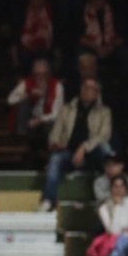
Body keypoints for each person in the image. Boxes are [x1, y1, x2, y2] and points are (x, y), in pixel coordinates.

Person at [39, 77, 113, 212]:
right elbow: (55, 134)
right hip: (69, 153)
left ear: (97, 93)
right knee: (55, 158)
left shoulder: (104, 111)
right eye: (84, 87)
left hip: (92, 153)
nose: (86, 91)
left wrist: (84, 147)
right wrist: (56, 143)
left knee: (106, 150)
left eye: (91, 88)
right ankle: (48, 200)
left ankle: (109, 197)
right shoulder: (66, 109)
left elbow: (104, 135)